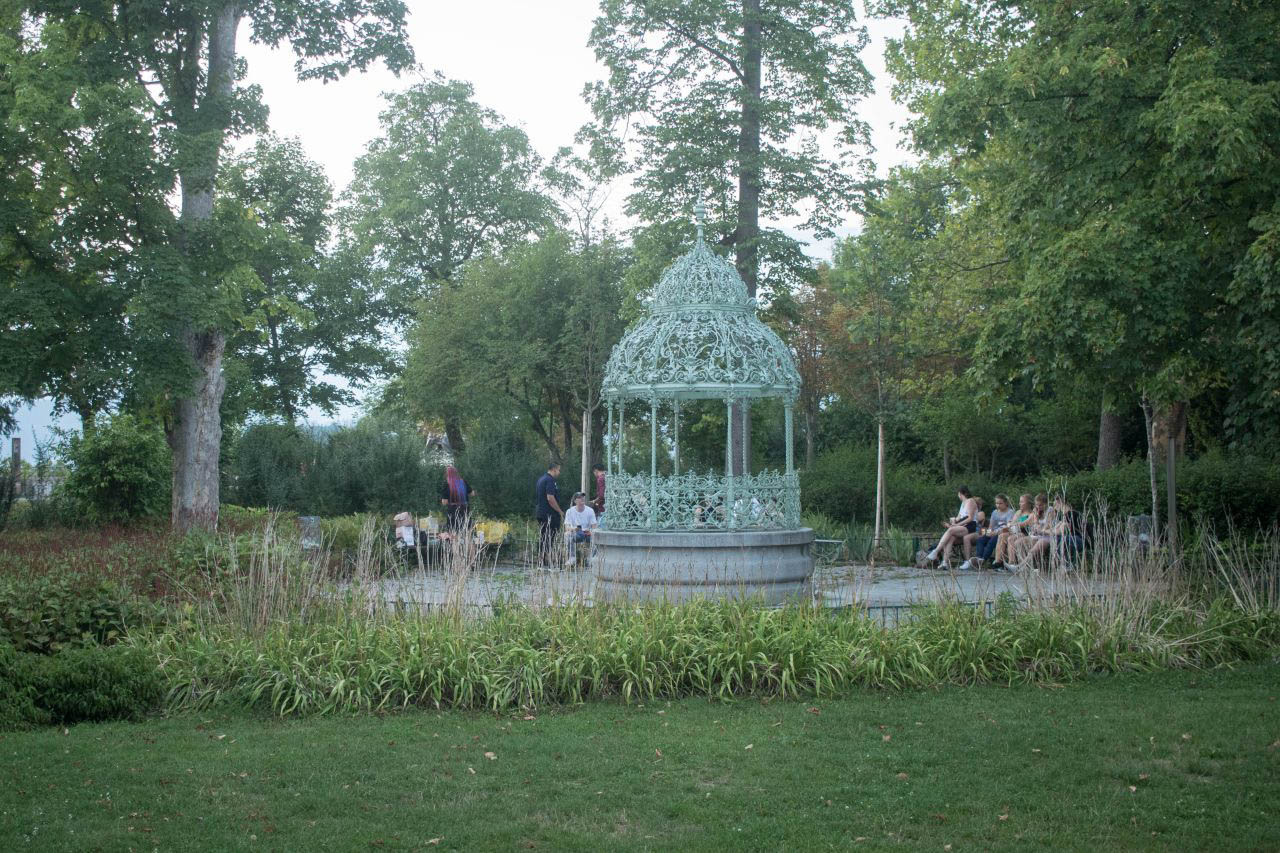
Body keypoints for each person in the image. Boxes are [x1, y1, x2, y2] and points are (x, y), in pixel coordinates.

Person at [926, 486, 980, 568]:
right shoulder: (963, 503)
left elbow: (970, 518)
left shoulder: (970, 501)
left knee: (951, 530)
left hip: (970, 525)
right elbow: (958, 518)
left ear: (960, 494)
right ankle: (945, 562)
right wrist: (953, 521)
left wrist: (956, 525)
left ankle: (936, 551)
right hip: (963, 525)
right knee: (950, 538)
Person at [962, 494, 1014, 571]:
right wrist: (988, 533)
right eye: (996, 503)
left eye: (1000, 503)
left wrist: (995, 533)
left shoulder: (1010, 512)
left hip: (1002, 533)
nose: (998, 505)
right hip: (993, 532)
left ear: (1006, 503)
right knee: (981, 539)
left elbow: (1009, 526)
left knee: (992, 541)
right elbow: (991, 526)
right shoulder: (995, 512)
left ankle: (983, 559)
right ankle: (979, 558)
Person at [993, 494, 1035, 570]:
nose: (1019, 503)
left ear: (1028, 503)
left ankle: (1012, 563)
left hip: (1025, 533)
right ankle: (998, 561)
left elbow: (1022, 524)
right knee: (1002, 536)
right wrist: (1012, 524)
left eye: (1022, 502)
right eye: (1019, 502)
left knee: (1011, 538)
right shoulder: (1018, 512)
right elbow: (1012, 523)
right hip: (1015, 531)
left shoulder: (1031, 514)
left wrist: (1013, 524)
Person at [534, 461, 564, 569]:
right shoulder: (550, 480)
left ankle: (541, 561)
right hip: (549, 514)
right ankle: (549, 560)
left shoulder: (541, 479)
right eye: (559, 470)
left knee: (544, 537)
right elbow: (550, 498)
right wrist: (559, 511)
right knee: (550, 538)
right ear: (554, 469)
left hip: (541, 512)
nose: (559, 472)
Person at [439, 465, 476, 535]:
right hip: (465, 509)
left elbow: (444, 502)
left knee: (454, 533)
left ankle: (455, 542)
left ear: (447, 475)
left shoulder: (447, 484)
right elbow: (472, 494)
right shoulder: (463, 482)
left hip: (453, 511)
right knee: (467, 532)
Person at [565, 491, 598, 566]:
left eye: (583, 497)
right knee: (567, 535)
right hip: (576, 533)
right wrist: (574, 529)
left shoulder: (590, 510)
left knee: (597, 536)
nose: (582, 499)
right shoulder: (569, 511)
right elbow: (567, 527)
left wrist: (591, 531)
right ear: (575, 501)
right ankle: (572, 558)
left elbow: (594, 526)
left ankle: (591, 559)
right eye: (579, 497)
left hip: (587, 534)